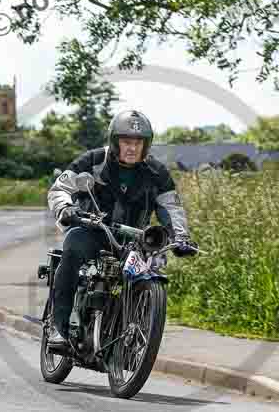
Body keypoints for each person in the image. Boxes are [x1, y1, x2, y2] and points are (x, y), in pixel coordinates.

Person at [46, 110, 198, 348]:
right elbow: (60, 188)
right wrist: (66, 208)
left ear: (146, 145)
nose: (132, 148)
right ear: (114, 141)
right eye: (126, 141)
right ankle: (59, 327)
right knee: (73, 247)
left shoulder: (157, 173)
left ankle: (132, 334)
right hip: (93, 230)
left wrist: (181, 236)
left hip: (134, 239)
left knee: (150, 269)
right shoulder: (94, 160)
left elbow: (171, 207)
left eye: (138, 143)